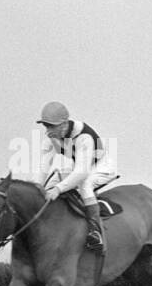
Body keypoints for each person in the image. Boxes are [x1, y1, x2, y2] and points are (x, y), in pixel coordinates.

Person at [35, 102, 117, 252]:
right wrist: (38, 187)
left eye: (52, 126)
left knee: (84, 185)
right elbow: (44, 165)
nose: (49, 131)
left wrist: (58, 190)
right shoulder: (52, 137)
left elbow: (82, 172)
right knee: (51, 181)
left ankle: (95, 232)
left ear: (65, 123)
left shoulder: (83, 137)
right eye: (46, 126)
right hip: (81, 165)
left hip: (101, 167)